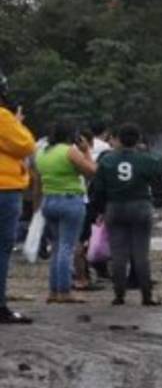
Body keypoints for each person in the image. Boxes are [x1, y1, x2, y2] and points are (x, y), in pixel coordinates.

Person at [96, 123, 162, 306]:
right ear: (138, 139)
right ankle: (146, 296)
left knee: (118, 253)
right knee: (141, 253)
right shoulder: (146, 159)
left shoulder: (107, 160)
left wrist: (100, 210)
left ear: (117, 139)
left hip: (114, 207)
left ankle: (119, 295)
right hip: (140, 205)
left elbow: (98, 188)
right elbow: (158, 174)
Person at [35, 121, 96, 304]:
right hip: (69, 201)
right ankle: (64, 291)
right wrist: (86, 151)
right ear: (71, 135)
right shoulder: (69, 151)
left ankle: (54, 292)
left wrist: (36, 208)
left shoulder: (43, 153)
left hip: (49, 201)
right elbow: (92, 171)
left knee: (56, 247)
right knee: (66, 248)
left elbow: (37, 183)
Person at [0, 73, 36, 324]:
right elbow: (25, 145)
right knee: (2, 250)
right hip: (4, 189)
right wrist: (17, 122)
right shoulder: (2, 117)